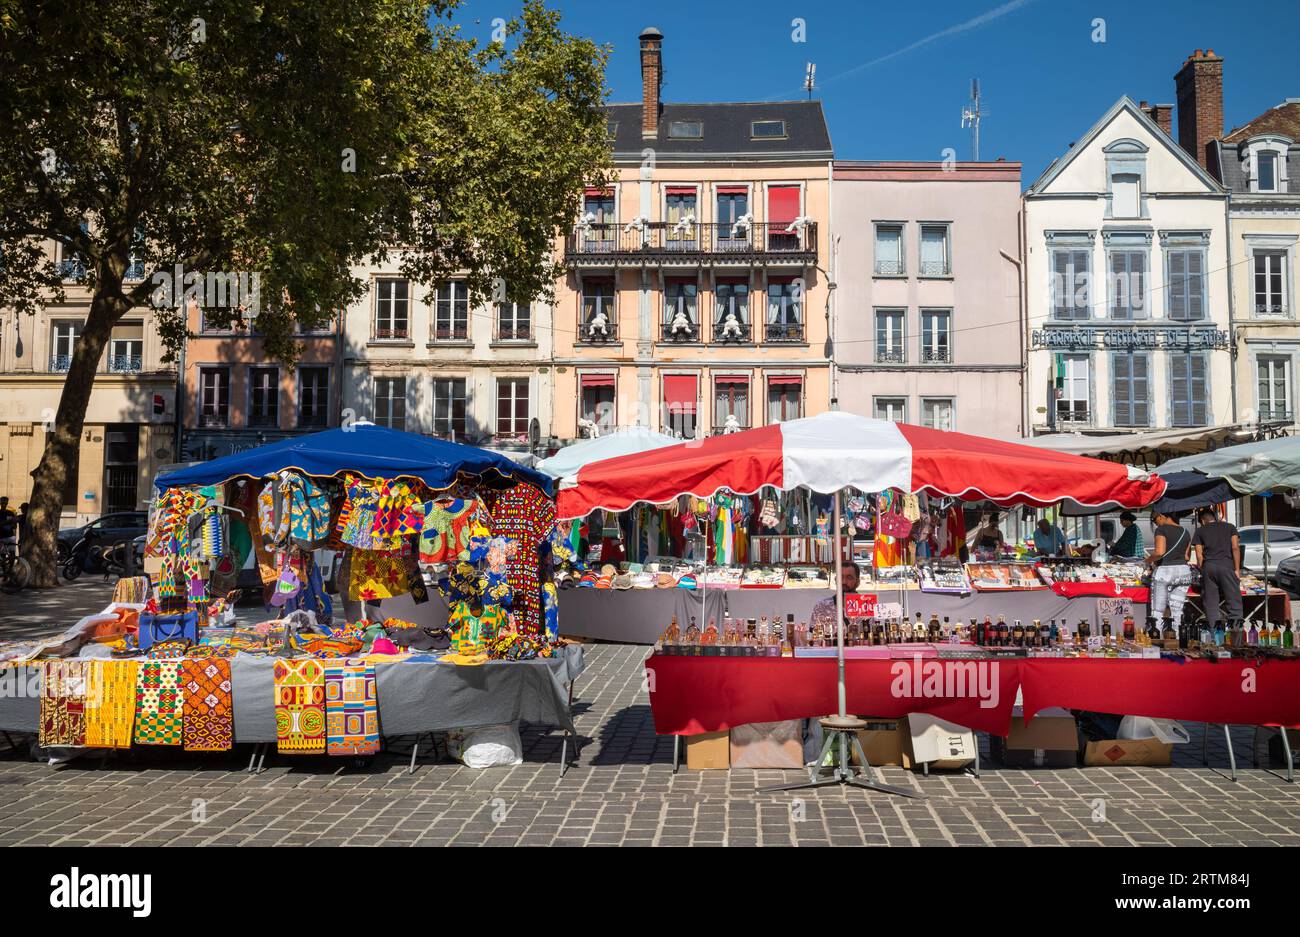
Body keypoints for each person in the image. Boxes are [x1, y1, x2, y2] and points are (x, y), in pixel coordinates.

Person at [1192, 507, 1242, 628]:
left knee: (1211, 604)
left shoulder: (1200, 530)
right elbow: (1235, 548)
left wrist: (1201, 568)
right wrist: (1237, 569)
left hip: (1209, 568)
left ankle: (1215, 638)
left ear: (1203, 520)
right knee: (1234, 603)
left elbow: (1199, 556)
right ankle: (1236, 637)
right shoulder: (1230, 527)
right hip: (1227, 566)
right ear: (1214, 517)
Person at [1147, 509, 1193, 623]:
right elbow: (1187, 557)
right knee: (1177, 611)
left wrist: (1148, 560)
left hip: (1165, 572)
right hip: (1183, 572)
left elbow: (1159, 552)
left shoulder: (1161, 530)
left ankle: (1156, 636)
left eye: (1154, 519)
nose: (1155, 523)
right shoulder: (1185, 531)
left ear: (1161, 515)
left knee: (1158, 610)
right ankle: (1178, 637)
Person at [810, 560, 861, 637]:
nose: (844, 582)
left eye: (849, 578)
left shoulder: (866, 606)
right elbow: (815, 637)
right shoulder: (822, 606)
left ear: (857, 581)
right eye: (841, 577)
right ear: (836, 580)